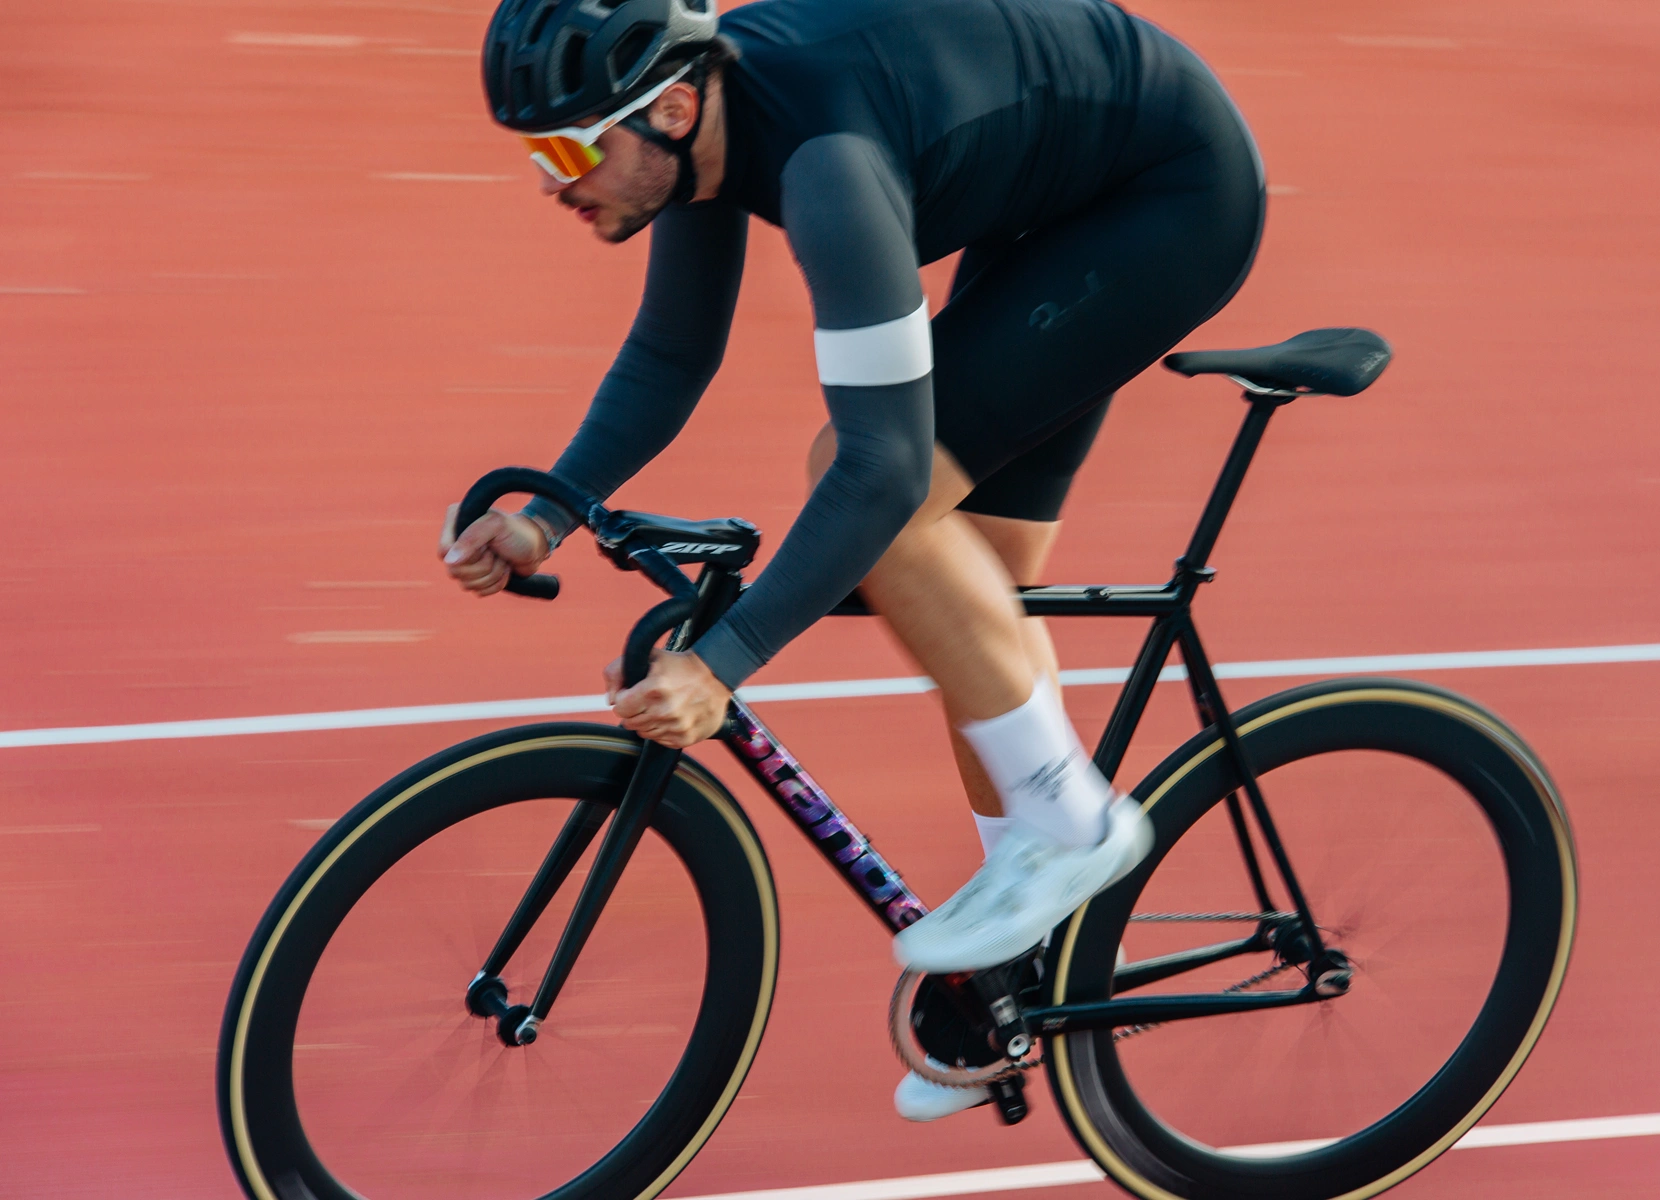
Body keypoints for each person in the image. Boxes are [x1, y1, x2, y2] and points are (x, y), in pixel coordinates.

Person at [441, 0, 1264, 1120]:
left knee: (888, 488)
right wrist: (552, 509)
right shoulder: (705, 138)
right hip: (1059, 195)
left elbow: (875, 472)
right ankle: (1023, 971)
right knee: (971, 595)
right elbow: (672, 354)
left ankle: (1077, 828)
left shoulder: (824, 164)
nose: (550, 181)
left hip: (1165, 197)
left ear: (672, 107)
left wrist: (722, 662)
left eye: (570, 146)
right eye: (537, 152)